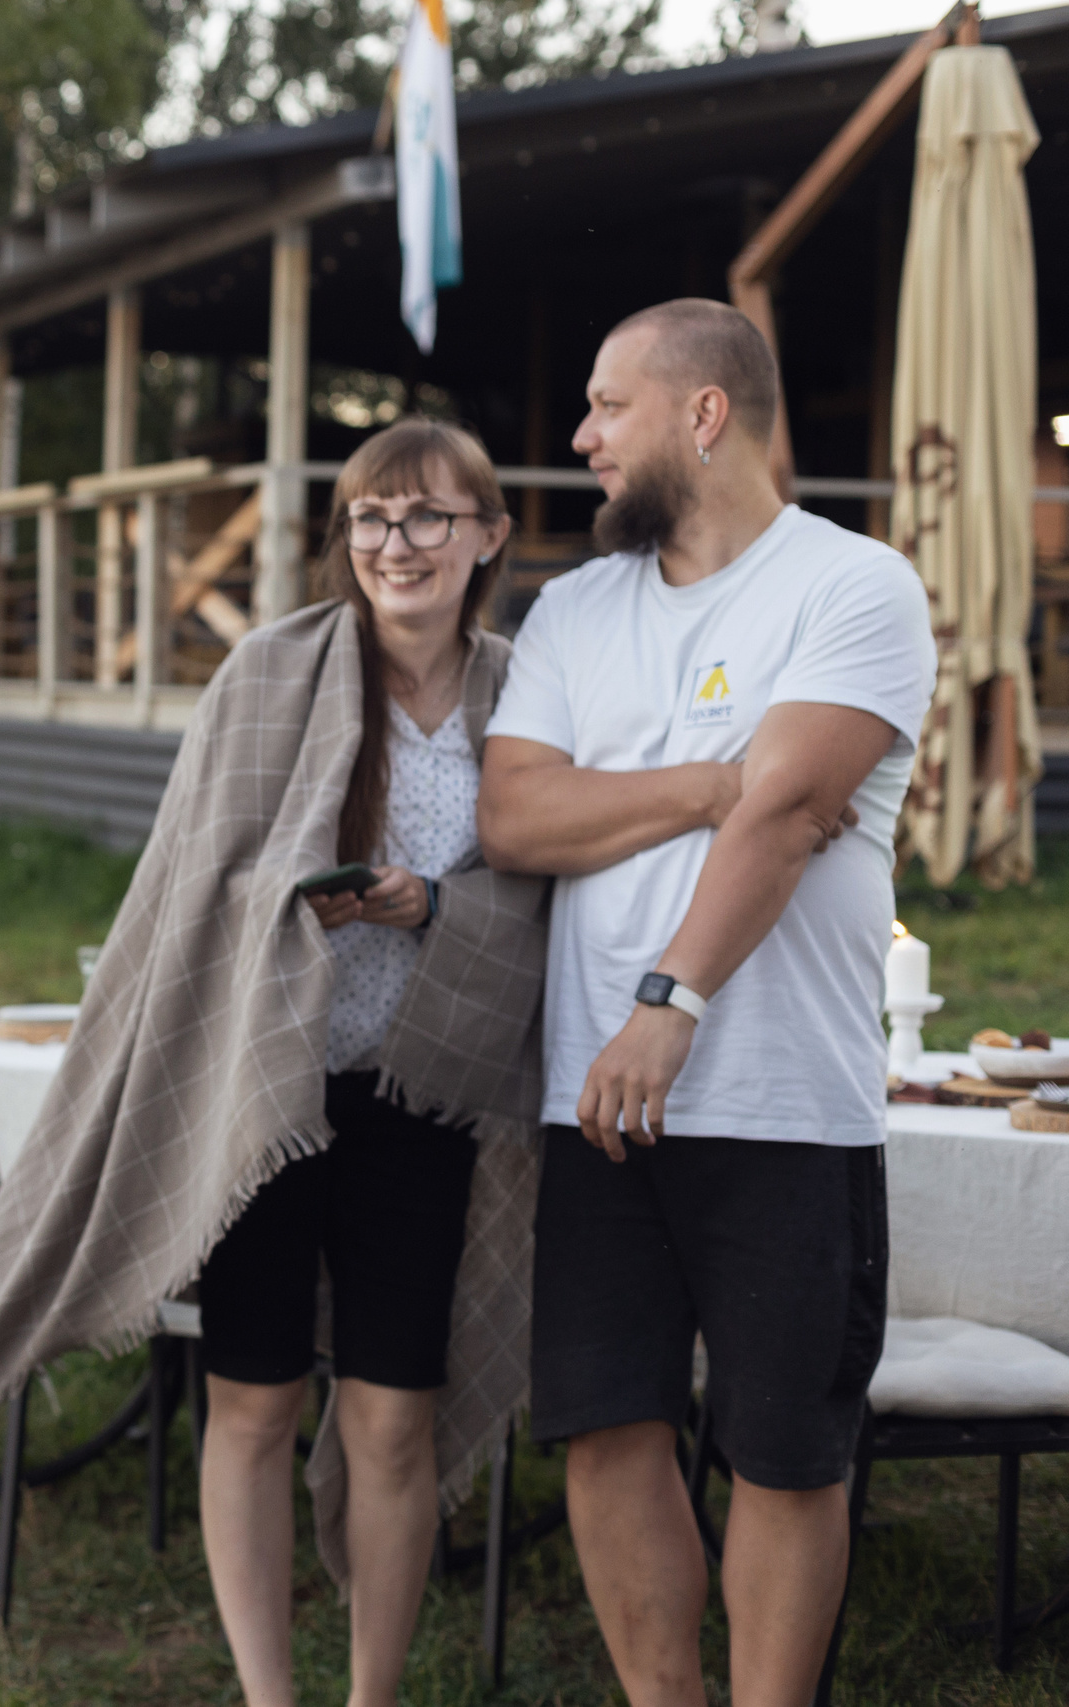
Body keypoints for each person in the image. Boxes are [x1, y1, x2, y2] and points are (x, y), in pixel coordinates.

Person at [0, 420, 552, 1707]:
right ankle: (269, 1695)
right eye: (369, 521)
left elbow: (553, 892)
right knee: (251, 1401)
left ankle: (371, 1697)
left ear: (488, 537)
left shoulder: (529, 696)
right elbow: (193, 873)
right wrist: (289, 896)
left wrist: (432, 910)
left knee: (393, 1417)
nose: (395, 545)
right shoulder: (268, 671)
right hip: (254, 1092)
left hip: (425, 1100)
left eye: (427, 519)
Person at [479, 298, 935, 1707]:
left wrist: (670, 994)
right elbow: (514, 813)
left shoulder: (855, 586)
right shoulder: (571, 607)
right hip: (591, 1103)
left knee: (785, 1448)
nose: (581, 436)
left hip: (784, 1095)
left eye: (609, 405)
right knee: (607, 1429)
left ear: (705, 413)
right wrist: (698, 781)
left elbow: (792, 810)